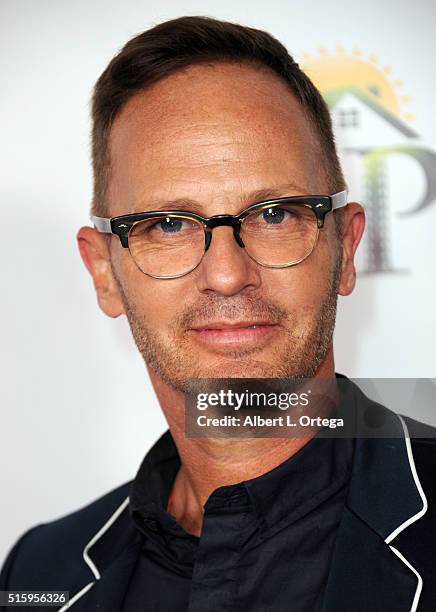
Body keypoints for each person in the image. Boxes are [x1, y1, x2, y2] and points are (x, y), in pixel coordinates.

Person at [1, 15, 435, 612]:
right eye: (169, 225)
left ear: (346, 248)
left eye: (275, 214)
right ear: (103, 271)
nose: (228, 274)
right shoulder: (40, 571)